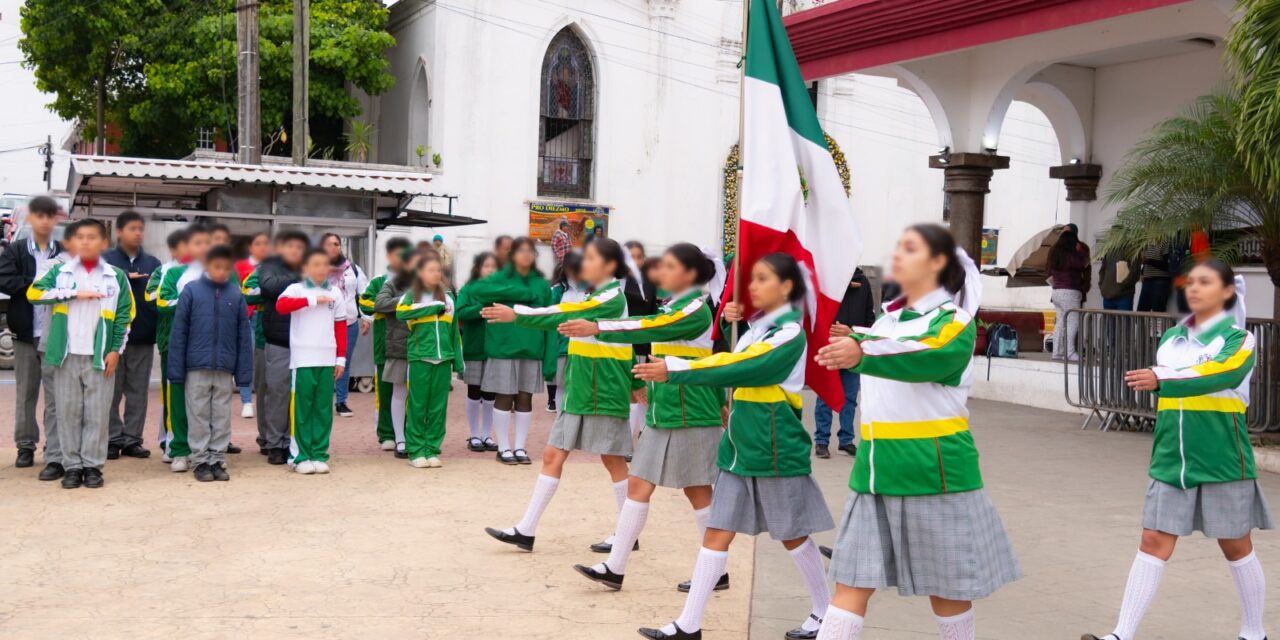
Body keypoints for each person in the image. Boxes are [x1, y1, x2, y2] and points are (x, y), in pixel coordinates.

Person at [811, 224, 1020, 640]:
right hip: (874, 474)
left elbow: (927, 352)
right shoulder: (887, 323)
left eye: (910, 249)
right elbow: (885, 341)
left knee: (948, 591)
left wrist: (861, 350)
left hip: (932, 472)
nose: (897, 256)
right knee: (850, 583)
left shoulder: (954, 323)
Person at [634, 253, 833, 640]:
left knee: (791, 534)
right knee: (716, 532)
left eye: (761, 279)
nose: (752, 287)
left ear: (787, 287)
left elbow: (744, 368)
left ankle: (825, 610)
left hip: (772, 444)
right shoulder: (757, 327)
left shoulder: (789, 332)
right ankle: (688, 625)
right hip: (740, 444)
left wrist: (676, 369)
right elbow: (732, 361)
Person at [1084, 260, 1269, 640]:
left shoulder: (1239, 340)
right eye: (1190, 282)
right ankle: (1121, 634)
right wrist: (1160, 378)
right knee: (1152, 541)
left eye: (1206, 282)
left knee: (1236, 546)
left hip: (1222, 458)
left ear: (1227, 291)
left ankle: (1255, 633)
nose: (1194, 289)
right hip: (1171, 458)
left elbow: (1223, 374)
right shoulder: (1170, 339)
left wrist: (1161, 378)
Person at [563, 243, 727, 593]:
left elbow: (649, 327)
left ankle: (718, 570)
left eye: (669, 266)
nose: (660, 273)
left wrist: (600, 327)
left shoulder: (695, 309)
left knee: (698, 492)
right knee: (639, 484)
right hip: (665, 411)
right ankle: (615, 567)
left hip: (690, 413)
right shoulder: (677, 305)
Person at [482, 238, 634, 553]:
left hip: (603, 390)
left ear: (608, 265)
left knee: (613, 460)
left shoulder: (610, 298)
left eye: (591, 258)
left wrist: (519, 315)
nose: (583, 264)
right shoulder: (595, 294)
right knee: (554, 455)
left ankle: (628, 532)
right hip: (581, 389)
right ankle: (526, 529)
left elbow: (565, 311)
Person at [29, 218, 134, 490]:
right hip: (65, 356)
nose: (85, 242)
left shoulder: (115, 275)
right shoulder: (61, 272)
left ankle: (92, 467)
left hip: (100, 357)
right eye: (80, 237)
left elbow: (125, 315)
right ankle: (72, 466)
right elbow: (34, 293)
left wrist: (115, 350)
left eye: (92, 237)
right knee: (68, 413)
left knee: (97, 415)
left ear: (104, 243)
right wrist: (75, 293)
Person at [465, 237, 555, 465]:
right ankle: (503, 447)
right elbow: (477, 291)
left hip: (531, 349)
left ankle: (520, 447)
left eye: (530, 251)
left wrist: (550, 358)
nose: (526, 255)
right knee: (504, 396)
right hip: (502, 349)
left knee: (525, 398)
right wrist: (521, 294)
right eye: (520, 251)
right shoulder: (498, 278)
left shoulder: (542, 284)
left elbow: (549, 319)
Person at [166, 245, 253, 482]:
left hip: (224, 367)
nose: (221, 271)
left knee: (222, 415)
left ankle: (217, 458)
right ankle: (201, 460)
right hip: (196, 366)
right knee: (198, 415)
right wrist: (176, 369)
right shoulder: (191, 292)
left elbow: (244, 337)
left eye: (226, 267)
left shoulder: (235, 295)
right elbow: (179, 333)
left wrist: (244, 374)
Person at [0, 195, 64, 476]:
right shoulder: (14, 251)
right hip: (25, 334)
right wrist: (38, 285)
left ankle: (54, 450)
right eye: (39, 216)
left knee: (55, 395)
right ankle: (25, 445)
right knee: (26, 393)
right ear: (30, 219)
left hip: (54, 336)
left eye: (50, 216)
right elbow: (4, 279)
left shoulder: (64, 252)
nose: (44, 221)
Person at [275, 248, 348, 475]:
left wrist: (341, 359)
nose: (320, 269)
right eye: (315, 264)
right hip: (303, 359)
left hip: (327, 359)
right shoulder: (296, 289)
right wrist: (311, 299)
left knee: (323, 409)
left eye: (324, 265)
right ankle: (300, 456)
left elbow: (340, 327)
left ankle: (319, 453)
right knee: (302, 409)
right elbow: (281, 306)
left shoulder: (336, 293)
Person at [102, 210, 161, 461]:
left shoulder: (152, 263)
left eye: (140, 229)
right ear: (119, 232)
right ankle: (112, 439)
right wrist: (124, 277)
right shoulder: (105, 260)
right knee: (111, 391)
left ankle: (132, 439)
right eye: (132, 229)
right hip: (113, 338)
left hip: (143, 336)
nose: (138, 233)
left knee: (138, 390)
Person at [397, 252, 463, 468]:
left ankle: (432, 448)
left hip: (443, 360)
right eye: (430, 270)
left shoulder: (450, 299)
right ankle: (416, 450)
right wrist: (433, 307)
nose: (436, 274)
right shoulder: (411, 296)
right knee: (417, 405)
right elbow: (401, 313)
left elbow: (454, 333)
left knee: (438, 407)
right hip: (419, 358)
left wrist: (458, 361)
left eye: (438, 270)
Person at [156, 224, 214, 472]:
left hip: (210, 348)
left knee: (207, 401)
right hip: (179, 346)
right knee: (178, 399)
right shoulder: (174, 273)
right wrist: (193, 301)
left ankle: (208, 449)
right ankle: (179, 449)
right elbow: (162, 302)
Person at [256, 231, 309, 465]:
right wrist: (297, 277)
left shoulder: (311, 269)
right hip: (277, 340)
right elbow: (268, 287)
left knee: (297, 395)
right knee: (277, 393)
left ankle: (292, 442)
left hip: (305, 342)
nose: (296, 251)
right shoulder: (270, 266)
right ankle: (274, 443)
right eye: (291, 247)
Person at [813, 268, 874, 459]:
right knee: (825, 396)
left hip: (852, 350)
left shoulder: (863, 284)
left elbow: (869, 320)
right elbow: (817, 313)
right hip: (829, 347)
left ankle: (846, 440)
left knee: (849, 398)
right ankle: (821, 441)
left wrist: (852, 332)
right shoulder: (827, 283)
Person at [360, 237, 413, 451]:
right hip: (384, 343)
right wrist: (393, 305)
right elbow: (365, 302)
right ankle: (386, 434)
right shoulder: (379, 280)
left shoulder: (416, 280)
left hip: (410, 343)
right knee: (385, 391)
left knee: (409, 391)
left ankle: (407, 431)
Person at [374, 248, 421, 458]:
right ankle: (399, 440)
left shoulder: (430, 284)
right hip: (398, 347)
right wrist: (405, 300)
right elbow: (380, 303)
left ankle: (416, 437)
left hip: (422, 346)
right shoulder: (392, 283)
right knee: (399, 393)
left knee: (419, 396)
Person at [146, 229, 189, 458]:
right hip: (169, 340)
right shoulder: (162, 270)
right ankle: (168, 442)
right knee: (171, 393)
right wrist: (187, 300)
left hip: (196, 343)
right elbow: (151, 297)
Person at [455, 252, 501, 451]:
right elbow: (460, 311)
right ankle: (474, 435)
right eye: (486, 266)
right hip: (474, 347)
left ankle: (486, 435)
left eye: (494, 266)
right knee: (474, 391)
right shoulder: (469, 289)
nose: (490, 270)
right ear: (478, 269)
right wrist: (482, 308)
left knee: (490, 394)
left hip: (495, 349)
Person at [321, 233, 369, 419]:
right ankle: (323, 400)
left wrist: (366, 317)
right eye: (328, 244)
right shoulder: (316, 268)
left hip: (348, 322)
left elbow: (364, 293)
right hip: (322, 324)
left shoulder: (353, 269)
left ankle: (341, 401)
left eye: (336, 244)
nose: (332, 247)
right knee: (323, 363)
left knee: (344, 362)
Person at [235, 231, 270, 419]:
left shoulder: (274, 266)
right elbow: (241, 292)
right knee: (247, 358)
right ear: (251, 247)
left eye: (266, 243)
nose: (263, 247)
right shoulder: (240, 267)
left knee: (263, 360)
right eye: (258, 243)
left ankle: (262, 400)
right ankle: (246, 400)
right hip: (246, 318)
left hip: (265, 316)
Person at [545, 250, 585, 414]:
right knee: (561, 385)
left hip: (584, 347)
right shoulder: (556, 291)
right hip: (562, 346)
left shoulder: (590, 290)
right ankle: (561, 422)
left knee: (580, 385)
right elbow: (548, 318)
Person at [1049, 223, 1091, 362]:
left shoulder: (1055, 252)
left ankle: (1057, 352)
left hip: (1056, 292)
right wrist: (1080, 252)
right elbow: (1083, 265)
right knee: (1072, 321)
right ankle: (1070, 352)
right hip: (1070, 292)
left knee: (1060, 322)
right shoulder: (1073, 254)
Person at [1136, 240, 1173, 313]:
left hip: (1161, 281)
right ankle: (1143, 325)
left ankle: (1161, 325)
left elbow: (1168, 265)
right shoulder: (1146, 244)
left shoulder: (1165, 242)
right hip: (1147, 281)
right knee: (1141, 311)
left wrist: (1149, 261)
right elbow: (1145, 262)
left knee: (1158, 311)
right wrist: (1142, 272)